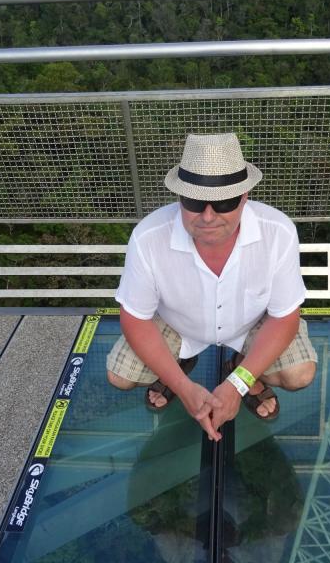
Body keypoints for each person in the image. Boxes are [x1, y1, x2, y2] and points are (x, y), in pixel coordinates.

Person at [106, 133, 317, 441]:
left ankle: (242, 367)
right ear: (179, 198)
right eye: (194, 202)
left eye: (224, 202)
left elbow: (284, 316)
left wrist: (236, 384)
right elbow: (135, 317)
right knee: (120, 376)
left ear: (245, 197)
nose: (207, 216)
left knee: (298, 375)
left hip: (252, 323)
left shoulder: (279, 232)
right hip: (177, 324)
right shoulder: (148, 236)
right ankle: (180, 366)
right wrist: (183, 387)